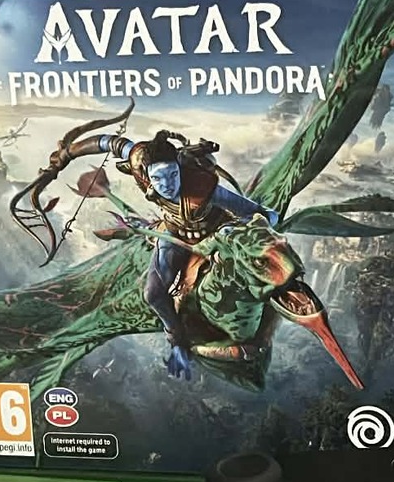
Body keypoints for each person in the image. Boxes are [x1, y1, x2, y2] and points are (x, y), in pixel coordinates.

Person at [48, 128, 277, 378]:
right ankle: (178, 344)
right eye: (158, 178)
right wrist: (67, 154)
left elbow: (264, 215)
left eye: (172, 175)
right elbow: (106, 143)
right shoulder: (140, 160)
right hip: (174, 234)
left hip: (215, 234)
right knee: (153, 294)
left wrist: (231, 232)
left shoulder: (202, 187)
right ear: (147, 176)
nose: (167, 185)